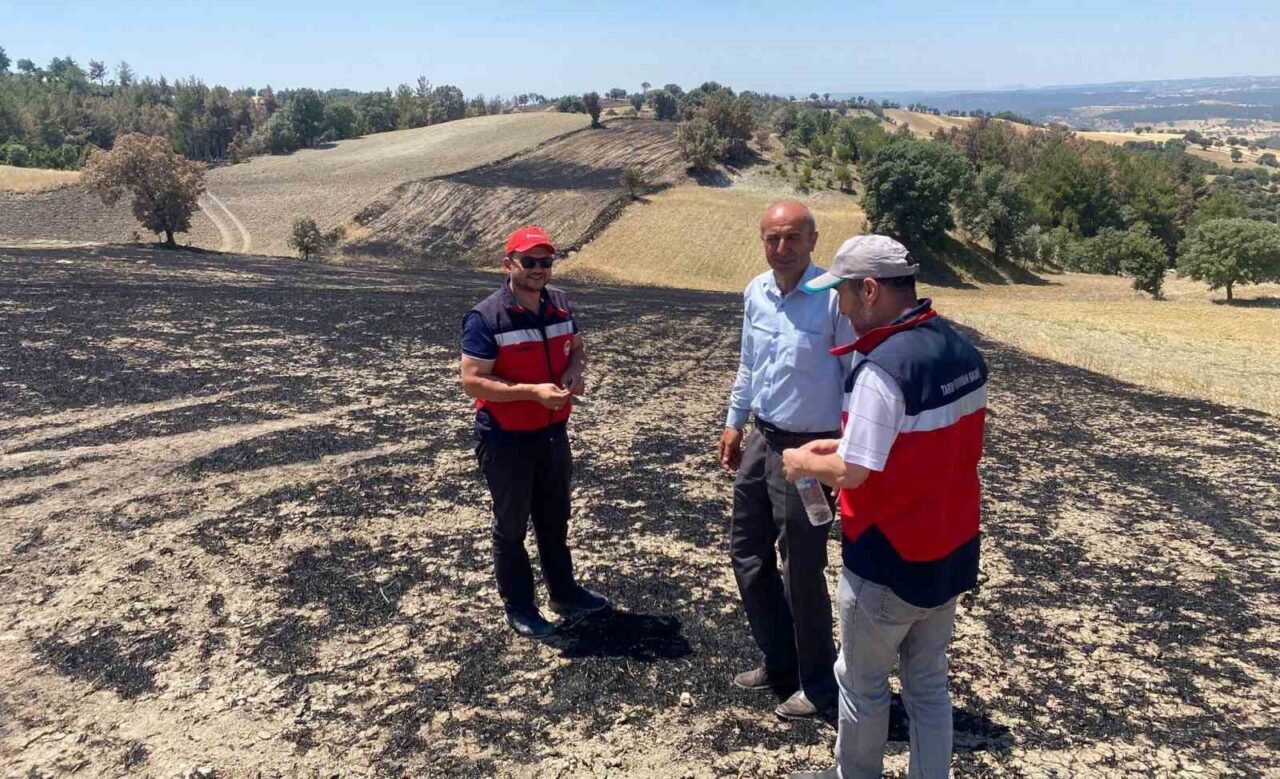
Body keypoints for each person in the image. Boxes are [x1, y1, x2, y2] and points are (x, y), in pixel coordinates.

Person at [780, 235, 988, 779]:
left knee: (862, 681)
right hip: (950, 546)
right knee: (928, 683)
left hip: (887, 555)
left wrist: (804, 462)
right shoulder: (960, 349)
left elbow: (854, 473)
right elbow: (919, 444)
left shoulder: (880, 368)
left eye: (844, 295)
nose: (841, 309)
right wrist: (843, 450)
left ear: (870, 290)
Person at [719, 201, 854, 720]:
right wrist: (735, 422)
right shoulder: (756, 292)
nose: (781, 248)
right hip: (762, 439)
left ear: (813, 241)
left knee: (802, 568)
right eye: (772, 238)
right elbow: (749, 364)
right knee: (747, 555)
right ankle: (780, 660)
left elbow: (850, 379)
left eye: (792, 237)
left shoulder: (832, 300)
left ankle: (819, 683)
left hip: (811, 450)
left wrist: (842, 448)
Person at [459, 225, 608, 639]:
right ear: (509, 264)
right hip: (506, 439)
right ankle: (521, 607)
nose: (539, 269)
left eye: (546, 261)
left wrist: (575, 369)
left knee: (554, 518)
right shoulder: (486, 317)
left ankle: (564, 592)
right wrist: (530, 393)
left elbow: (576, 346)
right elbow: (472, 381)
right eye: (530, 261)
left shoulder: (559, 304)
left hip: (552, 433)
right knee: (511, 527)